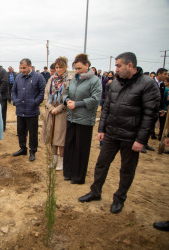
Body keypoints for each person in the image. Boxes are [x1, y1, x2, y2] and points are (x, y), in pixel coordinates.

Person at [78, 52, 160, 214]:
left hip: (131, 137)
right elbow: (106, 108)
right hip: (111, 134)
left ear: (130, 65)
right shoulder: (115, 84)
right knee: (101, 164)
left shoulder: (147, 84)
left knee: (126, 169)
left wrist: (141, 140)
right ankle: (95, 191)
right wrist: (102, 129)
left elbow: (150, 114)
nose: (115, 69)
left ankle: (119, 198)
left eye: (118, 66)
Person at [62, 54, 102, 184]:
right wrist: (67, 100)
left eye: (79, 68)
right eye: (76, 68)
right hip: (71, 118)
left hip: (84, 120)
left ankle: (78, 177)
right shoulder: (74, 79)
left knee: (81, 149)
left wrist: (77, 104)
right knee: (69, 146)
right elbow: (66, 93)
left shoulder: (95, 81)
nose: (77, 71)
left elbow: (95, 99)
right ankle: (68, 172)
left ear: (87, 65)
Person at [12, 58, 45, 161]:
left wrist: (35, 102)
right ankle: (23, 148)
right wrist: (16, 100)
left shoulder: (38, 77)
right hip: (20, 110)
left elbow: (42, 91)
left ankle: (32, 151)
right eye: (21, 68)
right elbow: (13, 91)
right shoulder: (18, 77)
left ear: (30, 66)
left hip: (32, 111)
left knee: (33, 132)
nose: (22, 70)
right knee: (21, 131)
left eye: (24, 68)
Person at [41, 57, 70, 170]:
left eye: (60, 67)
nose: (58, 69)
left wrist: (58, 108)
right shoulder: (51, 79)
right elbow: (46, 95)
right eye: (56, 67)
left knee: (60, 138)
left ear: (66, 67)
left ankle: (61, 162)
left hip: (62, 113)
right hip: (50, 112)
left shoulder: (69, 80)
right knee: (52, 137)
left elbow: (69, 97)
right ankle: (54, 160)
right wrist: (49, 107)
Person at [155, 68, 168, 141]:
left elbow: (161, 98)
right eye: (165, 74)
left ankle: (160, 136)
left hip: (159, 107)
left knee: (162, 122)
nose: (166, 76)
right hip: (150, 107)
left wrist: (162, 109)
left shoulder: (162, 85)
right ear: (159, 74)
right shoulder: (152, 82)